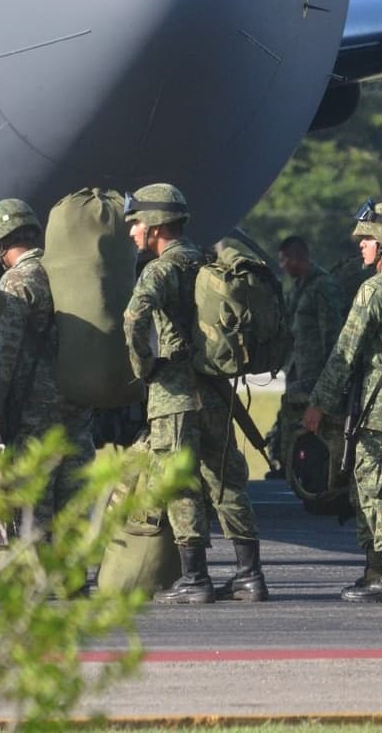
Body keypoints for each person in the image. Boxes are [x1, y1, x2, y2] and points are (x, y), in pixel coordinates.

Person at [122, 182, 268, 604]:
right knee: (226, 480)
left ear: (155, 226)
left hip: (174, 394)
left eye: (136, 224)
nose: (133, 232)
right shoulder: (206, 260)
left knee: (179, 481)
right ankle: (249, 576)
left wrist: (144, 367)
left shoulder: (159, 270)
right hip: (214, 389)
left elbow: (135, 317)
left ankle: (195, 579)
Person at [303, 200, 382, 603]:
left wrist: (319, 403)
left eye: (368, 238)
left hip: (379, 404)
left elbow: (345, 352)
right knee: (368, 488)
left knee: (380, 490)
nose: (361, 246)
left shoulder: (376, 289)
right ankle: (375, 572)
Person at [0, 197, 96, 538]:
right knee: (74, 488)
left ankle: (39, 576)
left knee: (35, 495)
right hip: (77, 398)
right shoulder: (68, 271)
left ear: (0, 245)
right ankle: (72, 576)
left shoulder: (18, 281)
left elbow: (3, 354)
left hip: (33, 407)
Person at [271, 235, 343, 479]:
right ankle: (289, 465)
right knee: (293, 420)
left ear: (296, 258)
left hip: (315, 374)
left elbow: (331, 334)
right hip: (297, 371)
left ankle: (317, 473)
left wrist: (328, 378)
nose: (282, 266)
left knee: (317, 427)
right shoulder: (300, 287)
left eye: (284, 261)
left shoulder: (323, 286)